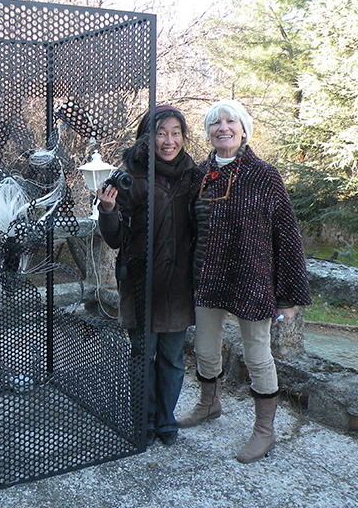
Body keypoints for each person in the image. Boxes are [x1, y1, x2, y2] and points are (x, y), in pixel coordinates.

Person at [178, 99, 311, 463]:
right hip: (207, 278)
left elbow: (287, 235)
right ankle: (209, 404)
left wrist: (287, 296)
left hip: (251, 281)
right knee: (204, 349)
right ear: (208, 132)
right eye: (215, 123)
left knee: (257, 355)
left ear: (243, 129)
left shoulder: (265, 175)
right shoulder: (199, 174)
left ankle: (264, 430)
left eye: (230, 122)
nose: (223, 128)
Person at [97, 106, 196, 447]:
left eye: (175, 133)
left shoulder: (193, 176)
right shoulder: (132, 179)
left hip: (179, 285)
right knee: (143, 355)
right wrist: (108, 210)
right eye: (160, 133)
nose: (169, 141)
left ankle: (166, 420)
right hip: (142, 283)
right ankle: (144, 418)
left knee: (172, 358)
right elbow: (114, 239)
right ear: (146, 137)